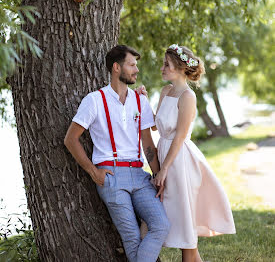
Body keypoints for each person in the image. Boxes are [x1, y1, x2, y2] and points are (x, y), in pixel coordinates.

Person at [64, 44, 170, 262]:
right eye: (131, 65)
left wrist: (158, 176)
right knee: (131, 238)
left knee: (161, 225)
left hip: (139, 175)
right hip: (110, 176)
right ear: (116, 67)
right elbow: (70, 139)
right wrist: (94, 173)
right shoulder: (94, 100)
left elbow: (148, 144)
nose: (136, 70)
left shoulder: (140, 99)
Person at [152, 44, 236, 262]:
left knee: (185, 232)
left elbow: (179, 136)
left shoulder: (187, 97)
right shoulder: (165, 91)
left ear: (180, 68)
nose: (162, 68)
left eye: (166, 65)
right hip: (165, 155)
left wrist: (164, 170)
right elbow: (156, 125)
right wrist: (141, 100)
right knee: (182, 232)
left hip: (180, 163)